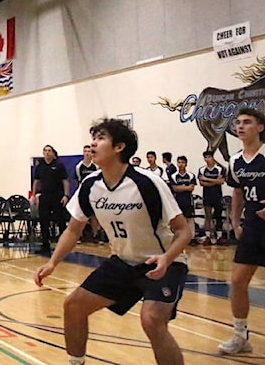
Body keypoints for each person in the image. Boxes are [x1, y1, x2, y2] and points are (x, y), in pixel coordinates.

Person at [34, 118, 191, 365]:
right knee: (73, 306)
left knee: (151, 320)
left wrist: (166, 258)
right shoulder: (90, 184)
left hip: (163, 263)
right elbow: (74, 230)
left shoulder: (147, 182)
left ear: (119, 147)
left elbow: (184, 231)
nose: (93, 144)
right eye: (92, 139)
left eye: (100, 138)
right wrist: (53, 262)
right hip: (123, 262)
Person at [218, 107, 265, 355]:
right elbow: (237, 192)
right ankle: (240, 335)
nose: (240, 126)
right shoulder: (235, 161)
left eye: (247, 122)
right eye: (238, 123)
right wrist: (236, 222)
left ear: (260, 127)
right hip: (253, 227)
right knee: (237, 281)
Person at [32, 144, 70, 254]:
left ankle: (63, 246)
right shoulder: (40, 166)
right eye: (45, 150)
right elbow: (36, 181)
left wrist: (66, 195)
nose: (47, 152)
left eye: (49, 150)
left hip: (57, 196)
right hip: (44, 196)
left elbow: (65, 181)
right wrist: (34, 195)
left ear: (53, 153)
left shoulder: (59, 165)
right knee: (44, 220)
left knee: (60, 220)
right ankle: (45, 245)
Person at [74, 145, 104, 244]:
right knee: (82, 215)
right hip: (83, 194)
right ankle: (80, 236)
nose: (87, 153)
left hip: (94, 193)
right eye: (85, 151)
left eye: (89, 151)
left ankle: (96, 235)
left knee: (94, 215)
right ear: (83, 153)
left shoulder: (95, 166)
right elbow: (78, 181)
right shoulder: (79, 166)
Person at [197, 150, 226, 246]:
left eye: (209, 157)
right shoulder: (202, 169)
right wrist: (214, 181)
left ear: (213, 157)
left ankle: (219, 237)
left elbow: (221, 181)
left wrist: (207, 179)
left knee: (218, 216)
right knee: (208, 216)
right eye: (205, 157)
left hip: (217, 195)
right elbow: (201, 183)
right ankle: (208, 237)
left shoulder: (219, 169)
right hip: (207, 195)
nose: (207, 159)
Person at [168, 156, 197, 246]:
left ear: (186, 164)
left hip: (188, 201)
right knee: (178, 219)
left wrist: (182, 187)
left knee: (189, 219)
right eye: (179, 162)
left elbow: (191, 188)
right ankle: (179, 238)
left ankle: (191, 238)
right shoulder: (173, 176)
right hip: (177, 201)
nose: (181, 164)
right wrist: (186, 187)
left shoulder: (191, 175)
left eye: (183, 162)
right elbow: (174, 188)